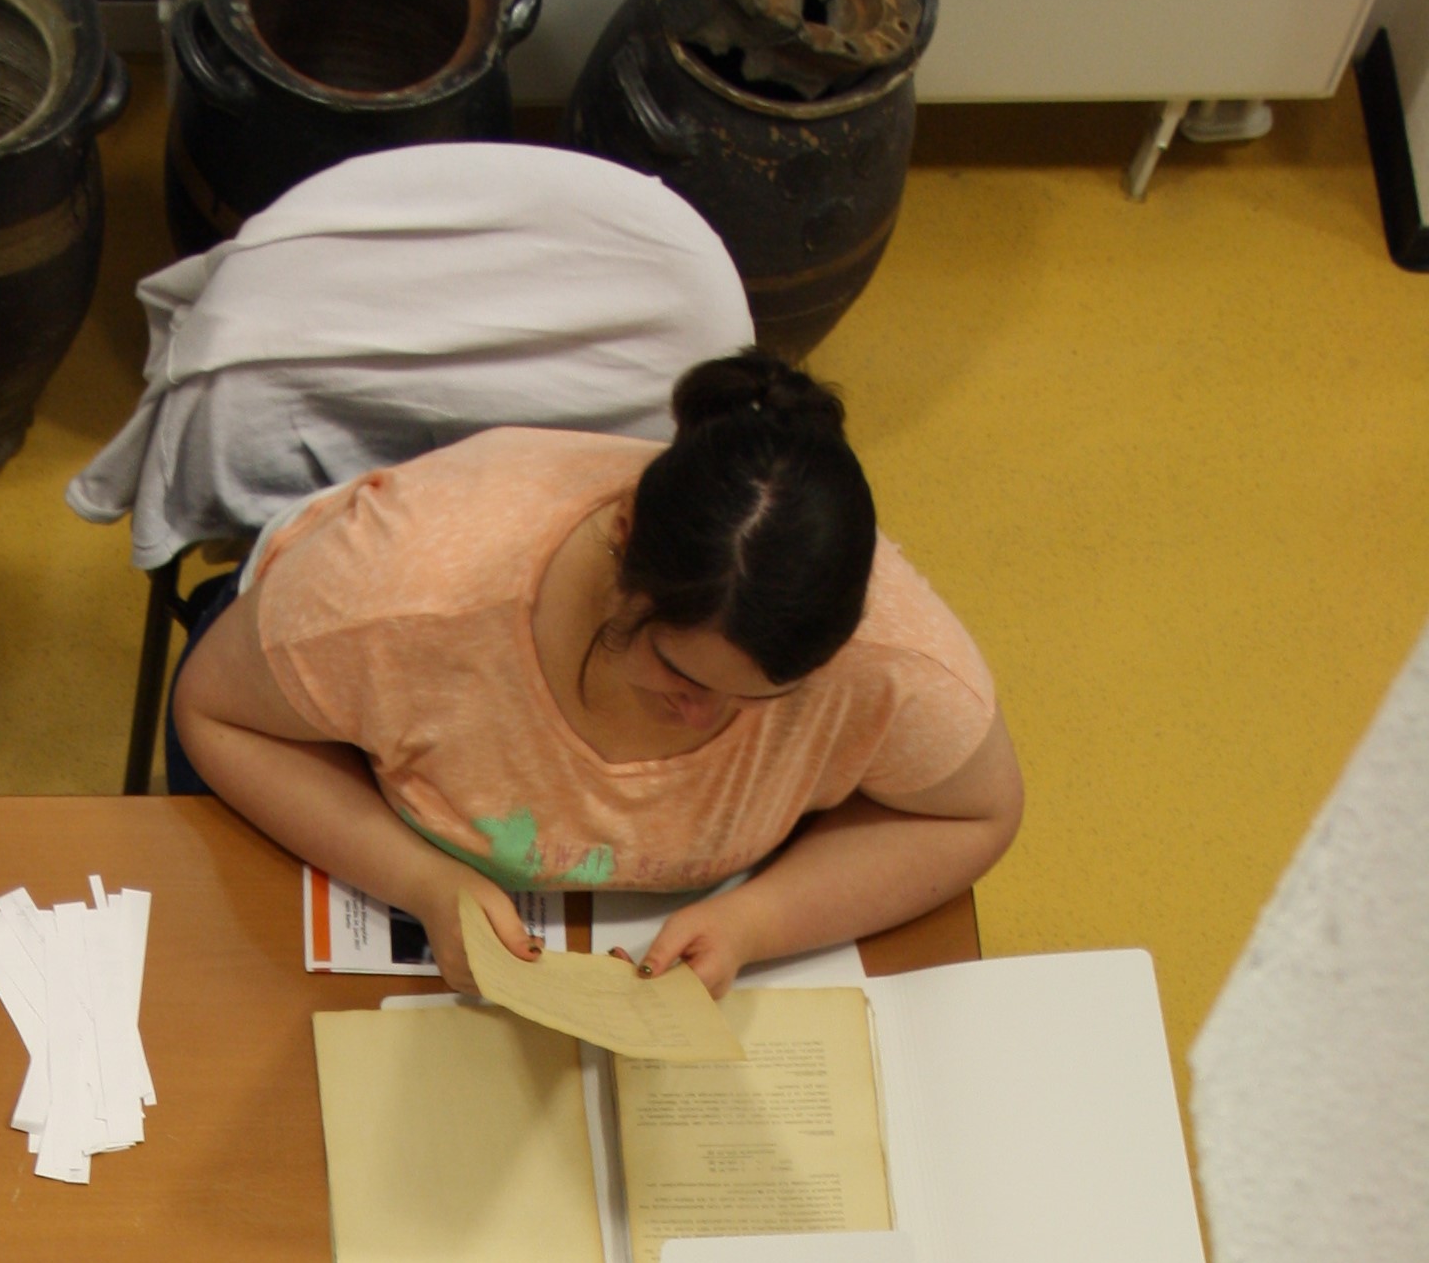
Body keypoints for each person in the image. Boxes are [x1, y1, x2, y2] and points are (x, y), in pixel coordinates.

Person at [170, 350, 1022, 998]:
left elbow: (977, 814)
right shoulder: (403, 597)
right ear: (622, 537)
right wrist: (422, 881)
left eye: (763, 700)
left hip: (641, 917)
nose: (704, 721)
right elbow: (214, 710)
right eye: (680, 673)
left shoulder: (891, 657)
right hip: (363, 818)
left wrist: (758, 920)